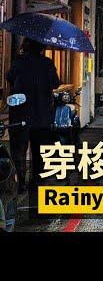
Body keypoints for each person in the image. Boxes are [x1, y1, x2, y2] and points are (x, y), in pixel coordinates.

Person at [5, 38, 61, 194]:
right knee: (40, 150)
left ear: (25, 47)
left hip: (20, 114)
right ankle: (36, 180)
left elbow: (9, 77)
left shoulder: (19, 61)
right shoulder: (47, 63)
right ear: (42, 48)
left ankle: (21, 181)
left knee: (19, 149)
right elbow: (56, 83)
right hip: (41, 115)